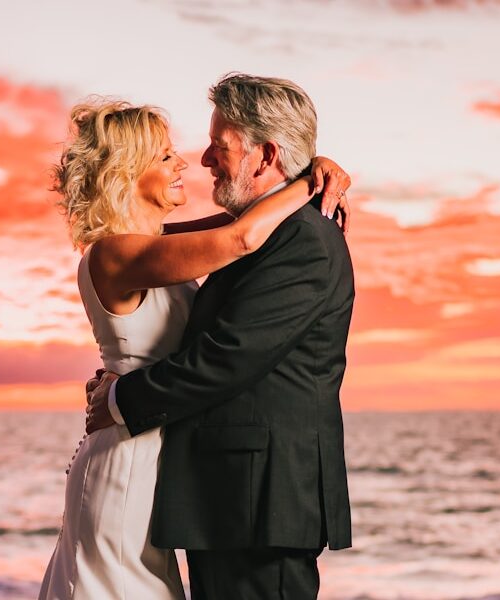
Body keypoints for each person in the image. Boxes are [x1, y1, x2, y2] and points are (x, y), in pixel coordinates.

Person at [39, 93, 351, 600]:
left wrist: (315, 169)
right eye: (165, 156)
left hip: (159, 450)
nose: (186, 161)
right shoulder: (118, 252)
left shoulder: (156, 244)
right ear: (128, 172)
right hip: (131, 449)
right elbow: (241, 239)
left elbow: (236, 226)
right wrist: (308, 181)